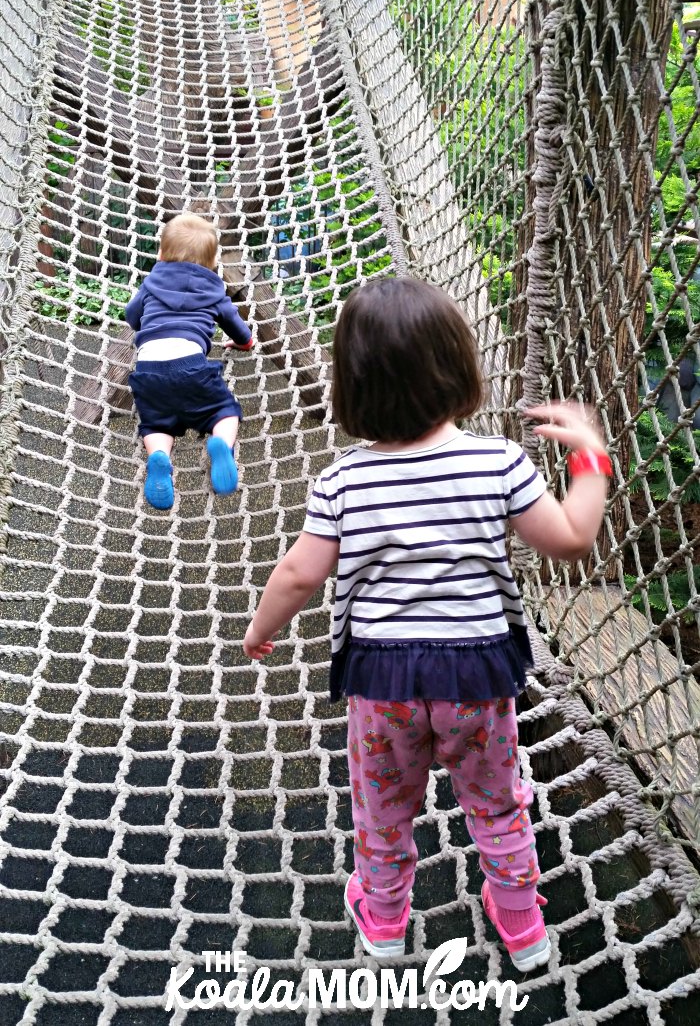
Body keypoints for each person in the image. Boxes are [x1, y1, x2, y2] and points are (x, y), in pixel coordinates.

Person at [242, 276, 610, 970]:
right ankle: (523, 921)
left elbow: (299, 573)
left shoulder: (343, 481)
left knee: (383, 807)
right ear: (459, 368)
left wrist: (263, 628)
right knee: (497, 805)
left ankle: (382, 920)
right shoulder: (498, 464)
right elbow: (569, 539)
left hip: (383, 680)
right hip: (475, 671)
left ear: (352, 387)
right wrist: (589, 458)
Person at [126, 213, 253, 510]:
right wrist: (245, 343)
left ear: (161, 253)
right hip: (191, 365)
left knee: (156, 423)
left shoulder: (151, 283)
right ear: (212, 262)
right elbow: (237, 327)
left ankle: (159, 457)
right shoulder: (214, 290)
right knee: (224, 410)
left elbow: (132, 317)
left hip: (148, 369)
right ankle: (222, 444)